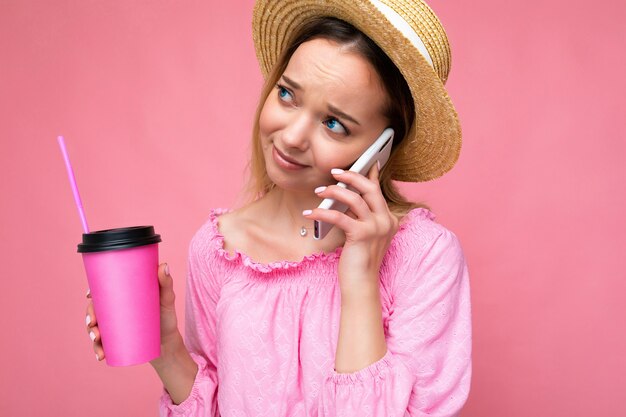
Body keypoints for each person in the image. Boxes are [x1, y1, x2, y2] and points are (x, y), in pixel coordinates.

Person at [85, 0, 472, 415]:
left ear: (381, 148)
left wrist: (360, 279)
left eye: (334, 123)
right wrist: (166, 348)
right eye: (287, 94)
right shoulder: (220, 250)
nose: (291, 138)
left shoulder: (426, 258)